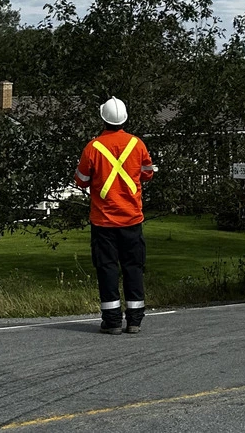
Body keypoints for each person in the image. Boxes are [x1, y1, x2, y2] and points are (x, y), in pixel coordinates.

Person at [74, 97, 156, 335]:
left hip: (103, 221)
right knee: (133, 267)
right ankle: (134, 320)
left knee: (107, 268)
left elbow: (81, 180)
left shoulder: (93, 147)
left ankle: (111, 321)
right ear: (125, 118)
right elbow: (148, 174)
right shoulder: (137, 144)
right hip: (131, 218)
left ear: (103, 118)